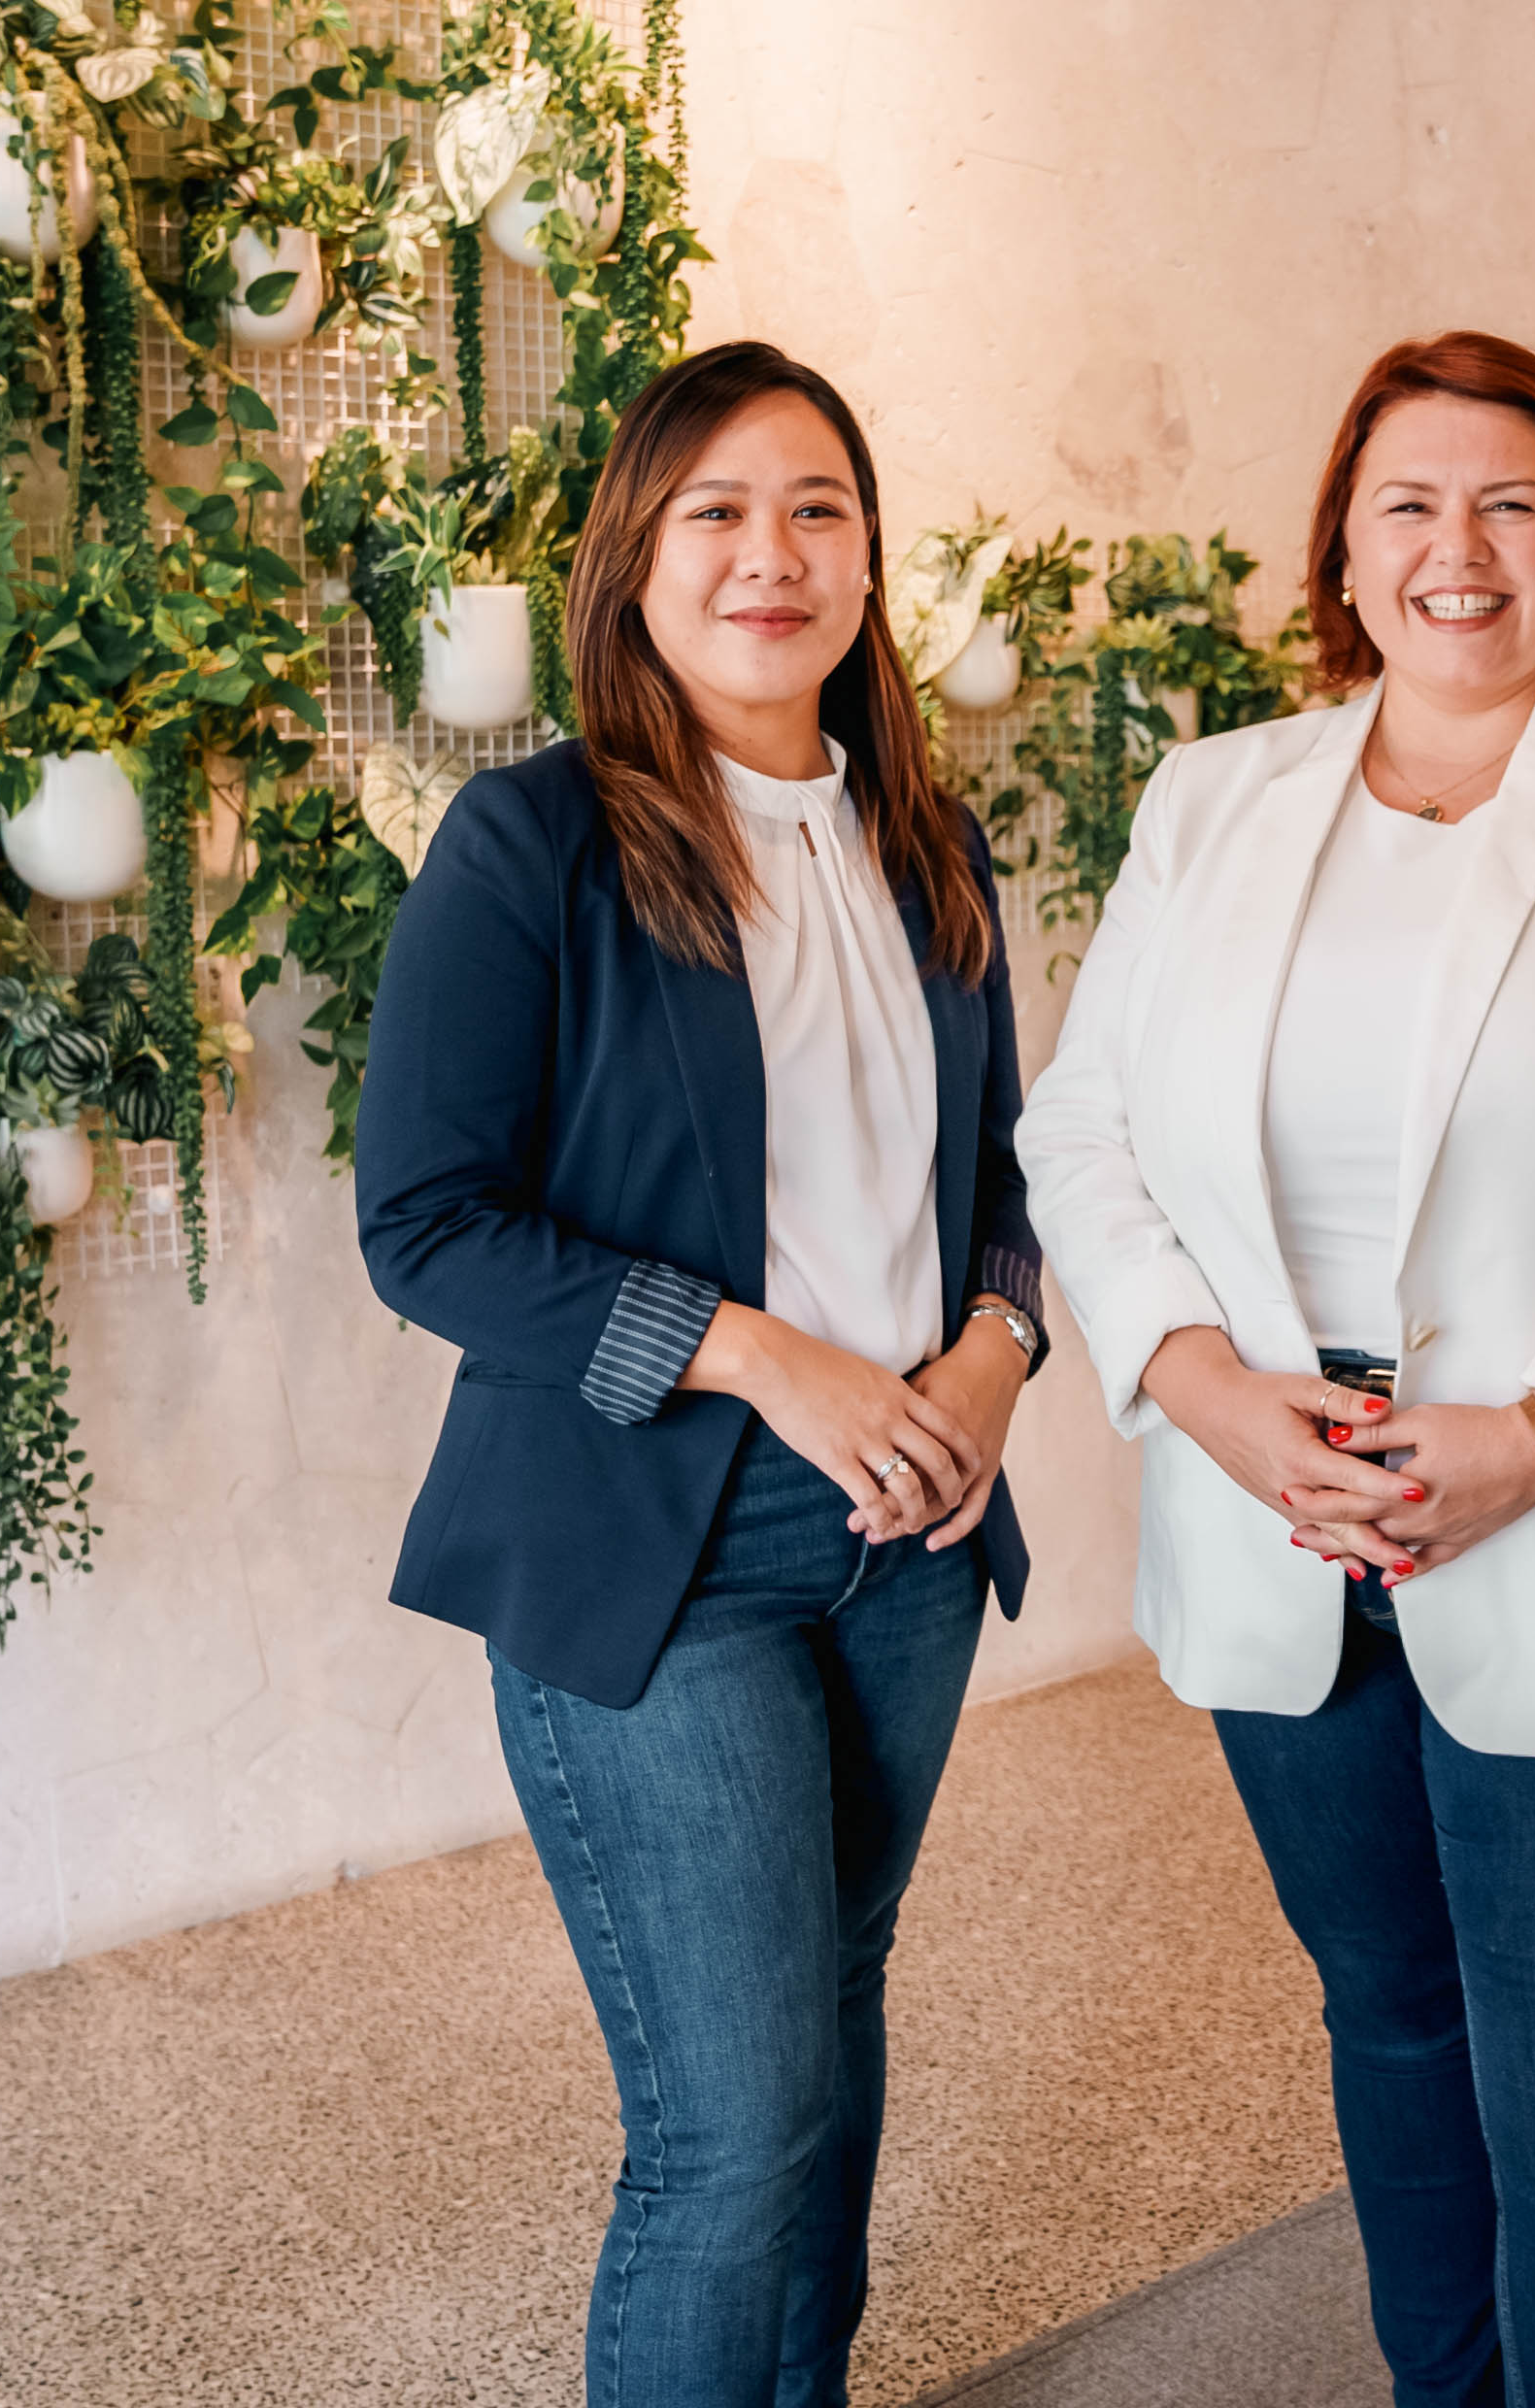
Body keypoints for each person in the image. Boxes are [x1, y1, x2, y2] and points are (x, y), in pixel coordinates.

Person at [1019, 331, 1535, 2408]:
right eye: (1406, 502)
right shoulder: (1214, 798)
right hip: (1275, 1530)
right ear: (1342, 546)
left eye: (1511, 503)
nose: (1455, 549)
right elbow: (1080, 1127)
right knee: (1390, 2028)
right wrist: (1205, 1390)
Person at [352, 342, 1050, 2408]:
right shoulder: (536, 843)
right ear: (633, 563)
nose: (773, 554)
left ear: (867, 560)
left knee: (827, 2043)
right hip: (657, 1546)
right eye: (717, 513)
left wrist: (995, 1361)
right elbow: (427, 1224)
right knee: (734, 2127)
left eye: (817, 508)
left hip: (908, 1534)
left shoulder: (926, 840)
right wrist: (768, 1364)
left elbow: (1015, 1178)